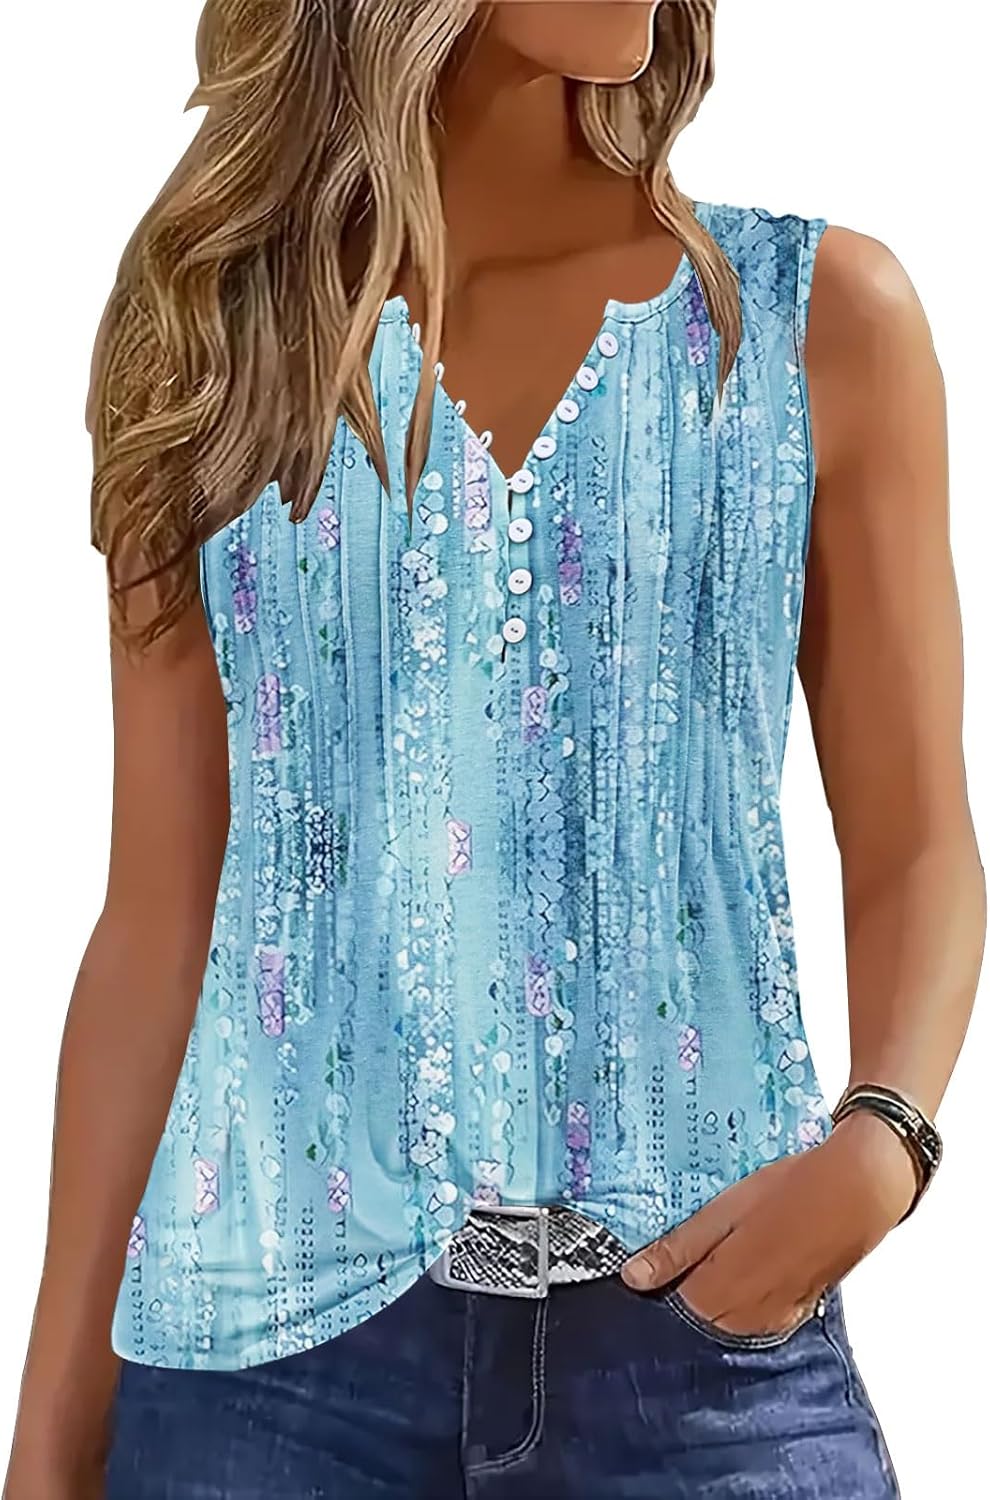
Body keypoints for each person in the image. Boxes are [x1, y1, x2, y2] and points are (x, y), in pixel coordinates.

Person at [3, 2, 984, 1497]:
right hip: (262, 1375)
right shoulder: (217, 340)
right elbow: (158, 912)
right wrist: (51, 1435)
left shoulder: (813, 323)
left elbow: (916, 839)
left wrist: (883, 1146)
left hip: (705, 1343)